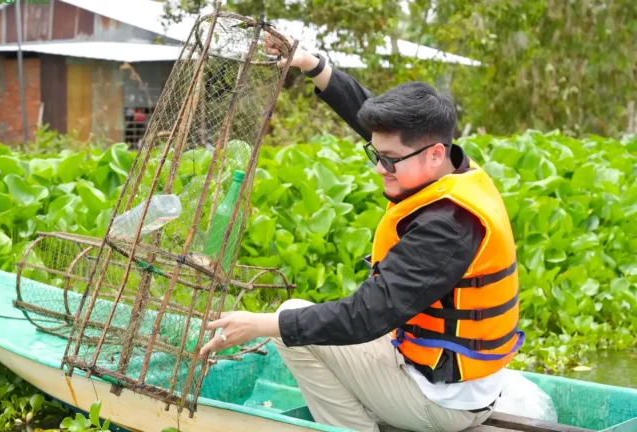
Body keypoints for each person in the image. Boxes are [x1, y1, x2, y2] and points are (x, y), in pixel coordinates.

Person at [199, 33, 524, 432]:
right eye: (376, 154)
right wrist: (310, 64)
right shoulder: (451, 166)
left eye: (389, 161)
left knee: (285, 325)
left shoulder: (446, 228)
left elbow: (367, 315)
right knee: (295, 318)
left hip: (443, 401)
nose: (379, 168)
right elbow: (371, 117)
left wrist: (260, 325)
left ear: (434, 153)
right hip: (452, 376)